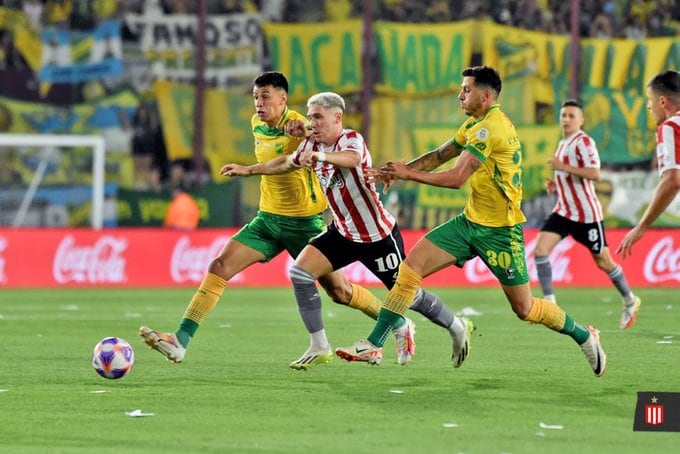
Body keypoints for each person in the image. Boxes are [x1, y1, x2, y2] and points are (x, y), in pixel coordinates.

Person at [336, 66, 607, 377]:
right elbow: (440, 155)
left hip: (501, 233)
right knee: (410, 268)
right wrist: (398, 170)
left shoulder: (490, 128)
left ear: (486, 95)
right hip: (469, 223)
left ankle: (585, 336)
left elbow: (456, 178)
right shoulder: (474, 125)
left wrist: (408, 174)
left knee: (526, 309)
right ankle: (374, 343)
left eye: (466, 89)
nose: (460, 94)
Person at [139, 72, 403, 370]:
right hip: (267, 219)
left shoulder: (300, 126)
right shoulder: (257, 124)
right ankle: (180, 341)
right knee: (219, 266)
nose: (259, 103)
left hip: (304, 224)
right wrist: (248, 169)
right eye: (255, 97)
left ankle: (396, 321)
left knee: (339, 292)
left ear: (283, 99)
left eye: (265, 97)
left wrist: (299, 129)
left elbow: (308, 130)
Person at [222, 91, 467, 368]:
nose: (312, 122)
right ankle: (319, 344)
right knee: (300, 273)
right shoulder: (312, 143)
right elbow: (287, 163)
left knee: (408, 296)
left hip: (377, 236)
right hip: (343, 233)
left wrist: (320, 156)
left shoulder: (350, 139)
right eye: (310, 116)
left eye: (318, 117)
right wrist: (250, 170)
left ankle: (455, 325)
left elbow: (351, 159)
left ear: (337, 117)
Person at [534, 100, 641, 330]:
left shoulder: (584, 142)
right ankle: (550, 304)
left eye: (572, 116)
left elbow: (594, 173)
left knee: (603, 261)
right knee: (540, 250)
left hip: (586, 215)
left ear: (581, 120)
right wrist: (556, 183)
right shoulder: (563, 143)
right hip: (564, 211)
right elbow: (571, 176)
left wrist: (563, 168)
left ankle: (630, 299)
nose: (566, 119)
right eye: (563, 115)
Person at [617, 70, 680, 258]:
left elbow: (672, 181)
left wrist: (641, 226)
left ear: (662, 102)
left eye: (649, 100)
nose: (648, 106)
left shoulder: (670, 127)